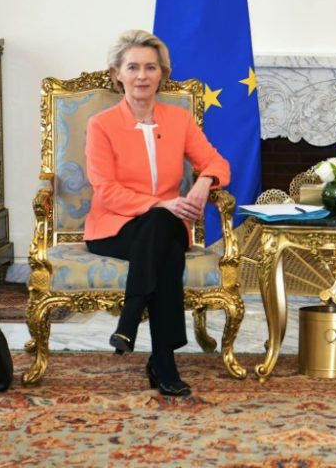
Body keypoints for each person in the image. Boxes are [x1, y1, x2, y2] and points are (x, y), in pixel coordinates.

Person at [84, 29, 230, 397]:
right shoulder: (101, 125)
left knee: (162, 226)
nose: (142, 76)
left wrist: (203, 181)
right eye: (132, 67)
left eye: (151, 67)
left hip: (165, 225)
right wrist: (160, 203)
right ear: (117, 73)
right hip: (114, 229)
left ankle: (129, 322)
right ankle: (163, 360)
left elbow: (219, 163)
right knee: (163, 239)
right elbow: (106, 190)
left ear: (162, 74)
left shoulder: (178, 120)